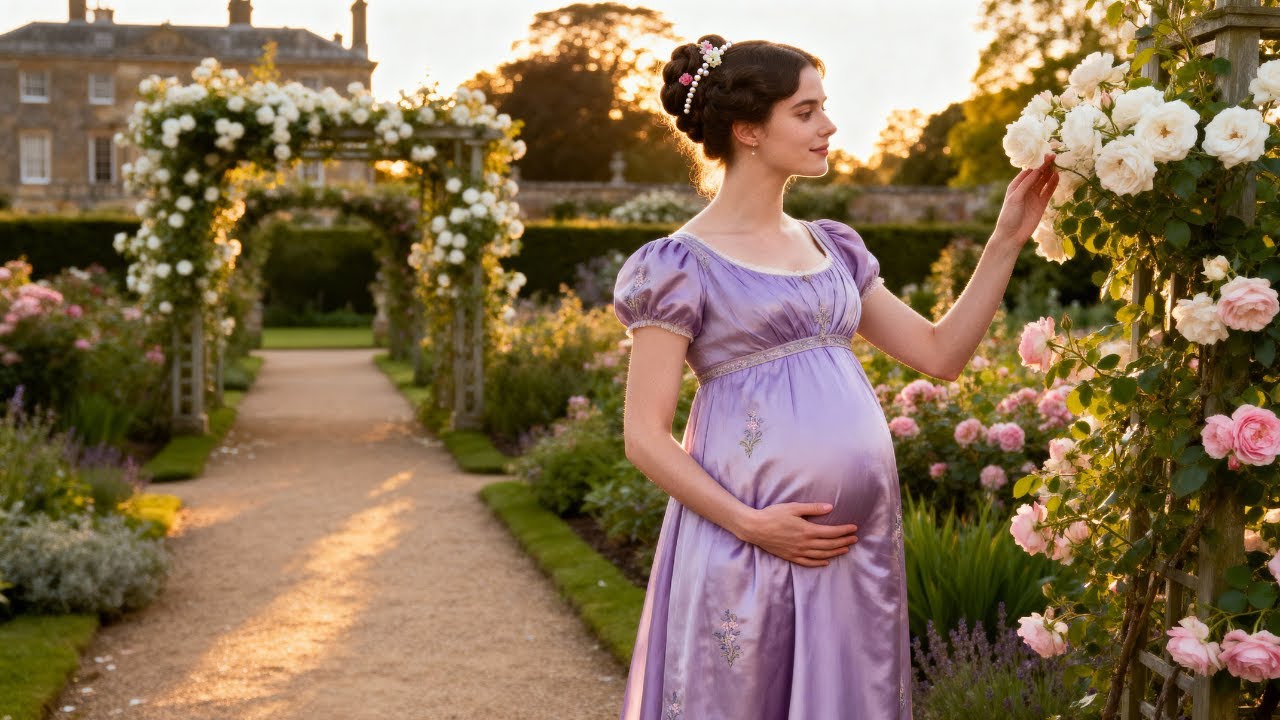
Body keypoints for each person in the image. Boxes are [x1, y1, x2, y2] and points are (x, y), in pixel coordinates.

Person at [612, 34, 1058, 720]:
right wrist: (753, 525)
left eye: (824, 107)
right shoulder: (677, 265)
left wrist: (1006, 241)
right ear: (748, 130)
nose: (828, 126)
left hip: (855, 551)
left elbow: (940, 354)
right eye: (806, 111)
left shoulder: (833, 247)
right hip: (750, 540)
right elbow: (644, 436)